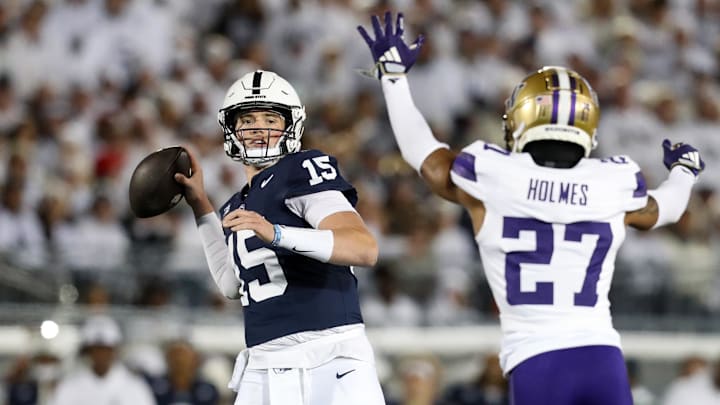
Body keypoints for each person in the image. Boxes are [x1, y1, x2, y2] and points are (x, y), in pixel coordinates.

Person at [358, 11, 706, 405]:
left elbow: (422, 152)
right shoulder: (613, 181)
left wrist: (393, 77)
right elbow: (667, 209)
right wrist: (684, 170)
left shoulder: (492, 173)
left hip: (536, 360)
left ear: (524, 117)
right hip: (602, 357)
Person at [173, 69, 385, 405]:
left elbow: (364, 248)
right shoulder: (237, 202)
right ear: (232, 129)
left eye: (270, 119)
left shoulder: (302, 169)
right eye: (248, 119)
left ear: (291, 125)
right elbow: (231, 285)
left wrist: (276, 233)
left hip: (328, 355)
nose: (258, 129)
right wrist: (201, 206)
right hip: (262, 362)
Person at [51, 315, 156, 405]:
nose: (101, 354)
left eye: (106, 349)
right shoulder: (70, 385)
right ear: (88, 351)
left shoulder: (135, 386)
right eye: (96, 349)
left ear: (115, 350)